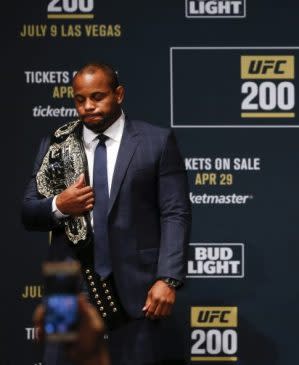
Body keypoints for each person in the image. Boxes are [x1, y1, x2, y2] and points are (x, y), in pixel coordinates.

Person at [22, 62, 192, 364]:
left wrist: (167, 278)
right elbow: (28, 211)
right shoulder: (57, 145)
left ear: (119, 94)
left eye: (97, 97)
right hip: (67, 288)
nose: (88, 106)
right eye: (79, 99)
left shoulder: (156, 142)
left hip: (138, 286)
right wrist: (60, 205)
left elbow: (175, 213)